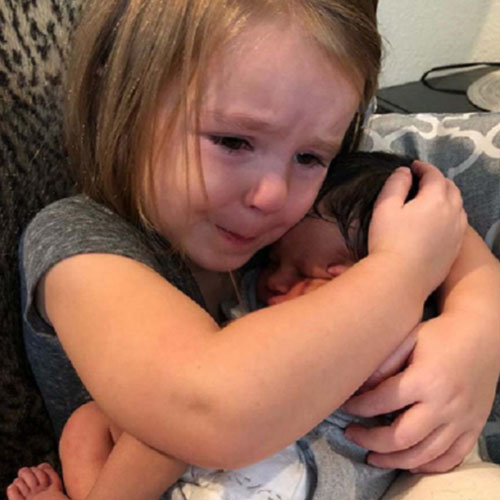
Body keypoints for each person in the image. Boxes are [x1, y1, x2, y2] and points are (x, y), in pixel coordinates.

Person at [5, 1, 500, 499]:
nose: (274, 194)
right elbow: (216, 412)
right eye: (233, 141)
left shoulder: (289, 227)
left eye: (310, 156)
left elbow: (437, 217)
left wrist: (477, 326)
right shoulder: (79, 244)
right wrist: (404, 271)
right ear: (123, 105)